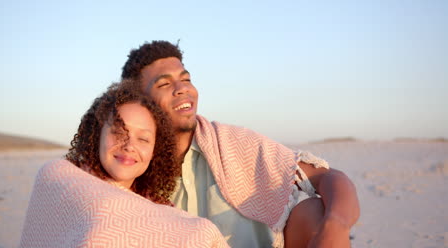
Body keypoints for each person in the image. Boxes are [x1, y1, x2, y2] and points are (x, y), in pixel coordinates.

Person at [121, 41, 360, 248]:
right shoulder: (130, 164)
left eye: (186, 79)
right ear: (140, 102)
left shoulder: (232, 143)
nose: (182, 88)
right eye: (164, 84)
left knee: (312, 212)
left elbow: (329, 178)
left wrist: (335, 225)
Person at [20, 80, 229, 248]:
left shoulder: (159, 206)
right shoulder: (59, 176)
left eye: (144, 139)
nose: (129, 146)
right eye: (119, 132)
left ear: (155, 150)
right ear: (96, 135)